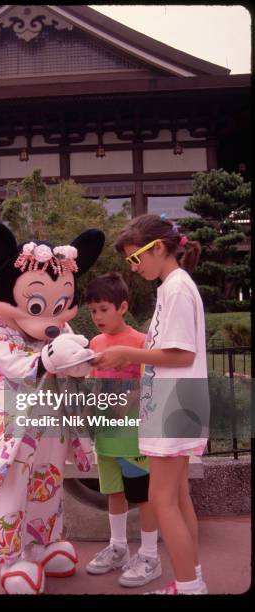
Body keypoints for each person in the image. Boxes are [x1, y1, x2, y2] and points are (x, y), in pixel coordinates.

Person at [0, 219, 104, 595]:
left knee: (49, 481)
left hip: (50, 415)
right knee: (14, 486)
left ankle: (43, 544)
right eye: (38, 305)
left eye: (61, 305)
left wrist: (81, 361)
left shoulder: (62, 328)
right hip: (11, 421)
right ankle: (11, 557)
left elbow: (67, 359)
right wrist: (53, 358)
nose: (51, 319)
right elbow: (15, 367)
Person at [93, 214, 208, 595]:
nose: (134, 267)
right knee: (176, 497)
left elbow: (179, 355)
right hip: (178, 404)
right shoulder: (175, 286)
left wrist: (128, 352)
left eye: (135, 258)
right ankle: (194, 579)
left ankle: (189, 585)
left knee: (162, 500)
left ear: (158, 248)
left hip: (173, 404)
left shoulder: (175, 289)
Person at [84, 272, 161, 588]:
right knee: (113, 490)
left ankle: (150, 554)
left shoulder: (140, 342)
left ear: (123, 307)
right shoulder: (94, 343)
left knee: (142, 495)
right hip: (105, 433)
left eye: (103, 308)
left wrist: (127, 398)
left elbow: (150, 381)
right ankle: (117, 547)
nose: (98, 316)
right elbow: (91, 380)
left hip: (132, 434)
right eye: (92, 310)